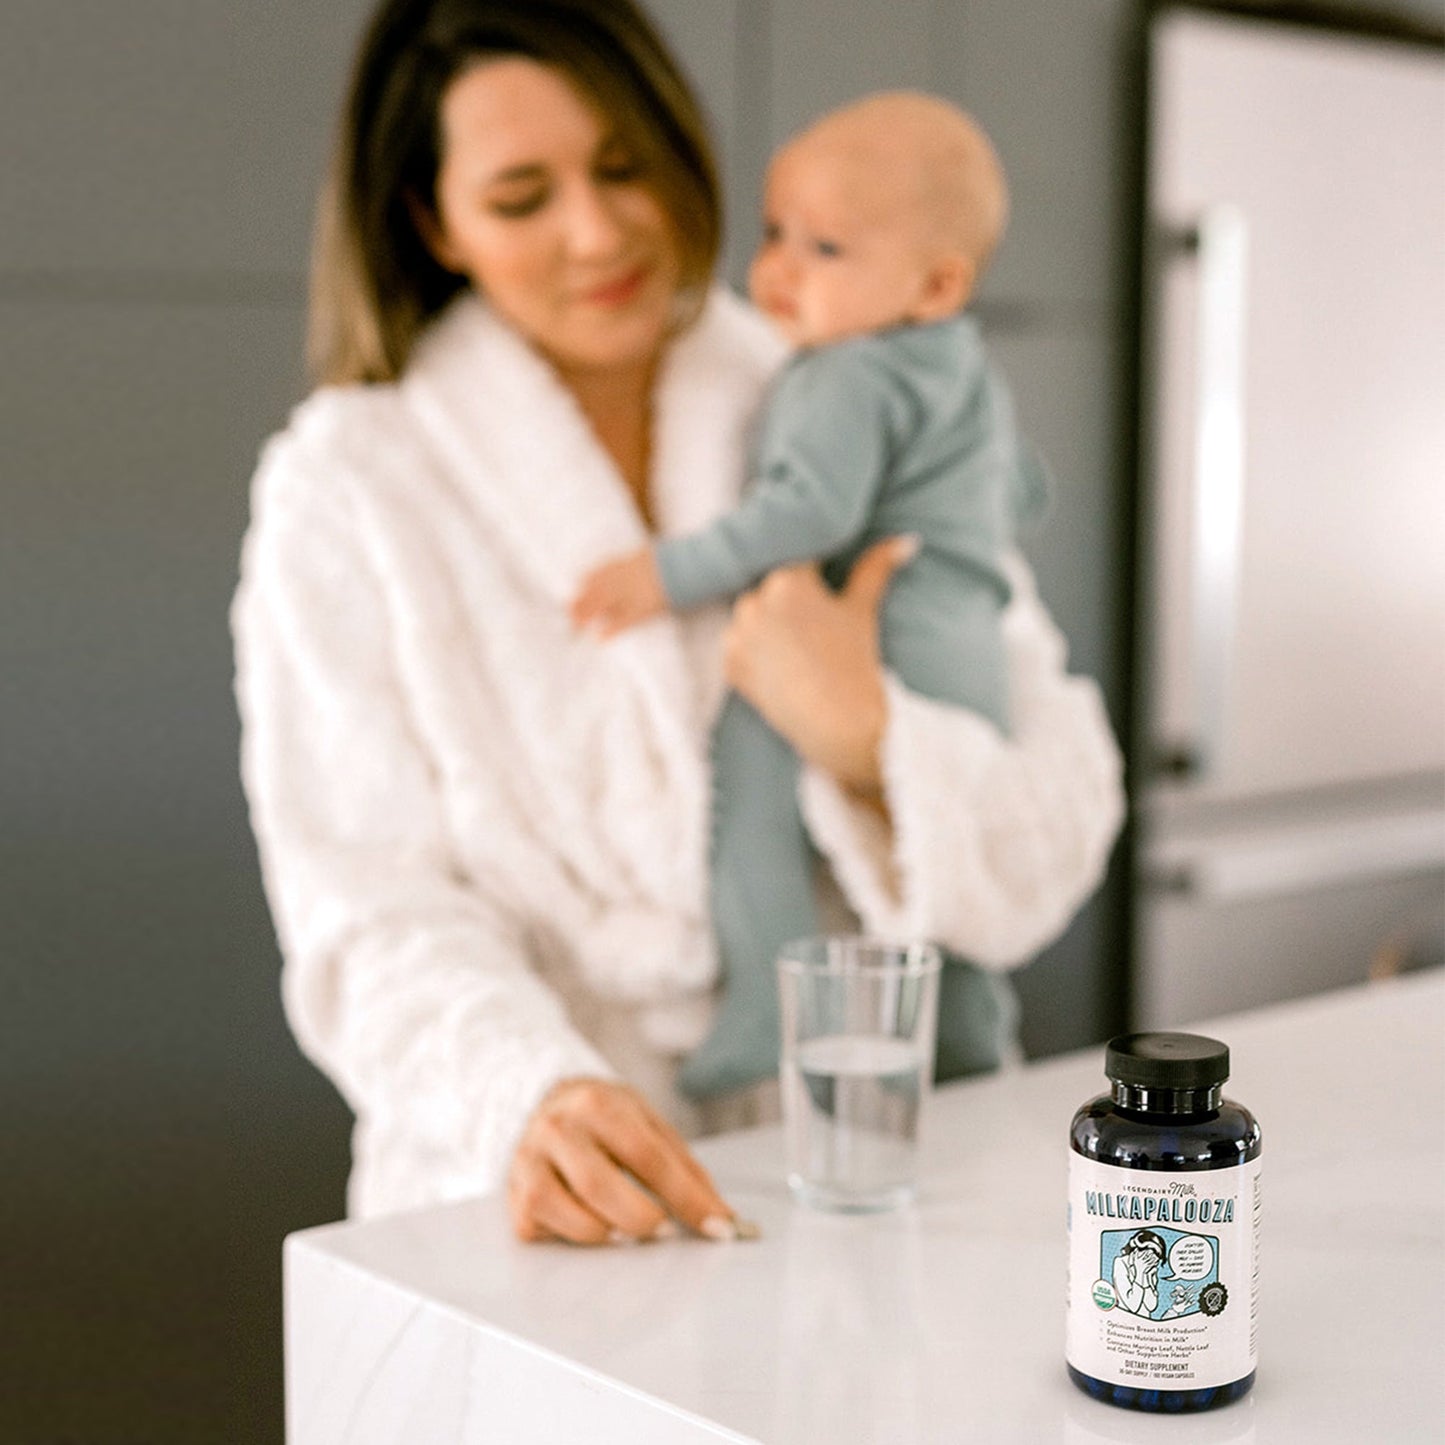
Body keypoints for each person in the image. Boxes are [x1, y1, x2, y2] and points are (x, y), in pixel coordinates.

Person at [231, 0, 1124, 1245]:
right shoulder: (347, 486)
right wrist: (529, 1094)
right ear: (434, 223)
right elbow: (365, 907)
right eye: (520, 198)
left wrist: (873, 744)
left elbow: (1066, 800)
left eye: (622, 166)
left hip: (858, 1174)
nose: (596, 231)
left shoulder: (840, 381)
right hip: (535, 1197)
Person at [572, 93, 1048, 1099]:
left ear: (934, 283)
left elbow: (807, 512)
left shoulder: (846, 374)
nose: (779, 270)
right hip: (963, 640)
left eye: (824, 247)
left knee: (746, 785)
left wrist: (666, 572)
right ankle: (967, 1031)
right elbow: (1020, 485)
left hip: (879, 637)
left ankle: (763, 996)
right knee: (935, 839)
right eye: (775, 231)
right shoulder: (960, 362)